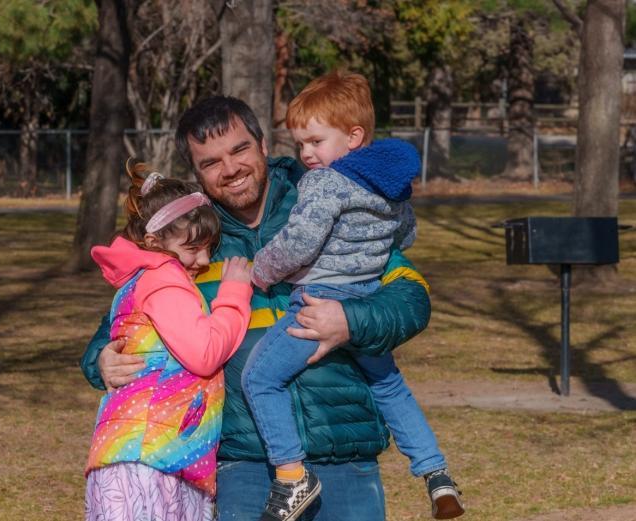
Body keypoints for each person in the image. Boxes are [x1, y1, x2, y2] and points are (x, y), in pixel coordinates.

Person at [80, 95, 432, 521]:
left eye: (239, 149)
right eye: (210, 162)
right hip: (245, 465)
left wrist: (350, 321)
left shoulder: (330, 199)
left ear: (263, 145)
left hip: (342, 452)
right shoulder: (190, 242)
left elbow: (411, 297)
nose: (229, 169)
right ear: (196, 172)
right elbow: (125, 316)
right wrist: (102, 359)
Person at [243, 71, 464, 521]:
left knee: (259, 379)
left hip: (319, 299)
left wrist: (259, 272)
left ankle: (291, 477)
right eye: (299, 143)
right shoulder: (389, 186)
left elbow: (299, 244)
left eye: (315, 141)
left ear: (354, 137)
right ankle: (435, 471)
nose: (306, 154)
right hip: (366, 293)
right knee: (388, 384)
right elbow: (407, 233)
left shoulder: (324, 183)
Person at [83, 161, 253, 521]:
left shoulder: (145, 278)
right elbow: (204, 354)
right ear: (154, 242)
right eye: (192, 249)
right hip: (151, 458)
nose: (204, 260)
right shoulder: (163, 279)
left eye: (209, 248)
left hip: (153, 453)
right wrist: (235, 294)